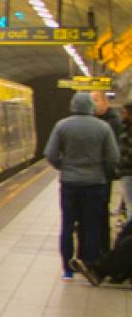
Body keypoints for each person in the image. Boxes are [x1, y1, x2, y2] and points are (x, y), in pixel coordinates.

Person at [45, 91, 119, 283]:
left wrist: (64, 167)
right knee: (92, 226)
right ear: (91, 107)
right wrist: (104, 172)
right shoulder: (103, 128)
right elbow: (113, 158)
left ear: (73, 106)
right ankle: (90, 265)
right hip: (95, 184)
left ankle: (67, 269)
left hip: (69, 184)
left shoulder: (62, 126)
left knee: (68, 225)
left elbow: (50, 154)